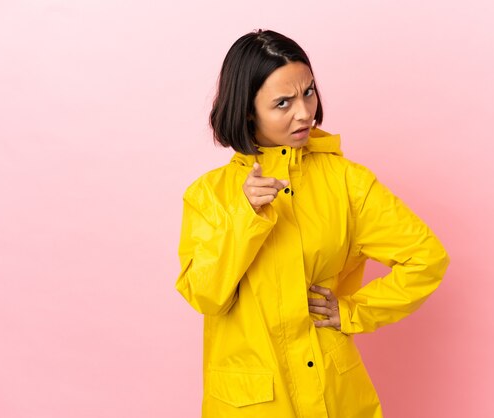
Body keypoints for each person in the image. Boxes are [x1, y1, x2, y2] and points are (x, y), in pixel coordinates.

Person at [175, 29, 450, 418]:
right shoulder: (210, 195)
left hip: (333, 394)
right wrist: (245, 217)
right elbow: (205, 296)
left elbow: (426, 258)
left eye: (308, 92)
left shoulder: (347, 182)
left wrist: (353, 311)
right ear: (248, 110)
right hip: (249, 403)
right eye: (283, 102)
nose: (304, 112)